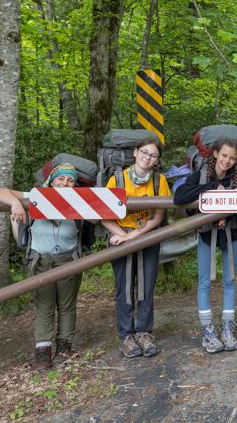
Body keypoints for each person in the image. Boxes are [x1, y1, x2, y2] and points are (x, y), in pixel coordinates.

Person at [0, 164, 87, 370]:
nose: (65, 184)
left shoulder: (81, 201)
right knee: (44, 306)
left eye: (70, 181)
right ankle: (43, 353)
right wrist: (16, 204)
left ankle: (64, 349)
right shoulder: (36, 195)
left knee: (66, 306)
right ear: (52, 181)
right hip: (40, 261)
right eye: (61, 179)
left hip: (68, 259)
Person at [100, 137, 170, 358]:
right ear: (135, 152)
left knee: (146, 287)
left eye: (153, 155)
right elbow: (104, 215)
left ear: (157, 160)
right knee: (125, 287)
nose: (148, 158)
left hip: (147, 236)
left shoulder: (159, 181)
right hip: (120, 237)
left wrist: (135, 236)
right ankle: (127, 336)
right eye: (144, 152)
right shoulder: (117, 180)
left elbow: (158, 216)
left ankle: (144, 332)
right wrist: (123, 235)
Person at [174, 138, 237, 353]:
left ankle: (227, 326)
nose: (227, 161)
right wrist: (212, 187)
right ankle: (207, 329)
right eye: (224, 155)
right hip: (206, 233)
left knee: (230, 278)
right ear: (215, 154)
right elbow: (180, 196)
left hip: (230, 232)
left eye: (232, 158)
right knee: (204, 280)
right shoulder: (201, 174)